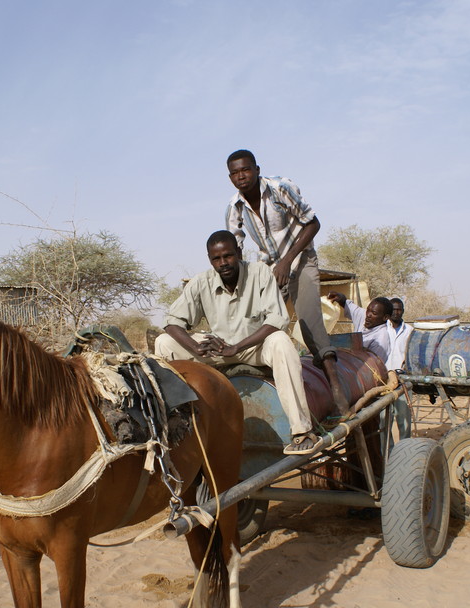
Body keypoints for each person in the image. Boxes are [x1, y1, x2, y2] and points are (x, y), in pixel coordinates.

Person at [155, 230, 321, 455]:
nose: (223, 263)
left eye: (228, 256)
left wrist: (238, 347)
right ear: (210, 259)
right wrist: (196, 347)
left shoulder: (260, 273)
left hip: (254, 347)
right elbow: (172, 322)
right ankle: (172, 426)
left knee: (281, 341)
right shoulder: (201, 282)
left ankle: (301, 431)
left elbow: (277, 319)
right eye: (217, 258)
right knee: (164, 343)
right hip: (217, 349)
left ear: (239, 253)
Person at [224, 149, 349, 416]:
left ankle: (336, 386)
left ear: (257, 169)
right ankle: (264, 381)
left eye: (245, 170)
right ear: (230, 177)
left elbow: (313, 223)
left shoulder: (281, 188)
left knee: (308, 319)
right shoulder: (234, 208)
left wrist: (286, 260)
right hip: (268, 267)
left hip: (301, 258)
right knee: (257, 320)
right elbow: (232, 248)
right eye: (234, 173)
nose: (241, 176)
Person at [327, 292, 412, 439]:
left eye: (373, 313)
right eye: (368, 310)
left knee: (376, 428)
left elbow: (370, 367)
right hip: (351, 376)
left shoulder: (382, 338)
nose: (368, 315)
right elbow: (351, 307)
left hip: (369, 383)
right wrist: (340, 299)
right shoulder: (365, 316)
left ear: (385, 318)